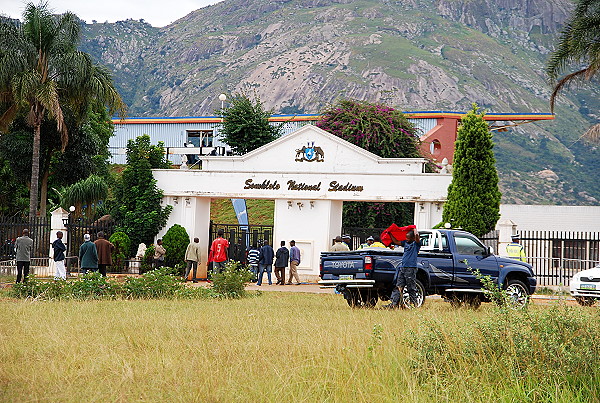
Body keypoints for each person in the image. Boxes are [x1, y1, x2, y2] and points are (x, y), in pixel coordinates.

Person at [386, 229, 421, 309]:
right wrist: (390, 234)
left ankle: (414, 304)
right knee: (399, 286)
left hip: (410, 268)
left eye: (408, 238)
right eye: (406, 237)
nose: (407, 239)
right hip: (403, 268)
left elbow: (417, 237)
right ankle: (394, 303)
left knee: (411, 287)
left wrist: (414, 229)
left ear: (412, 238)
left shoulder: (416, 244)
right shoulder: (405, 243)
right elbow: (396, 242)